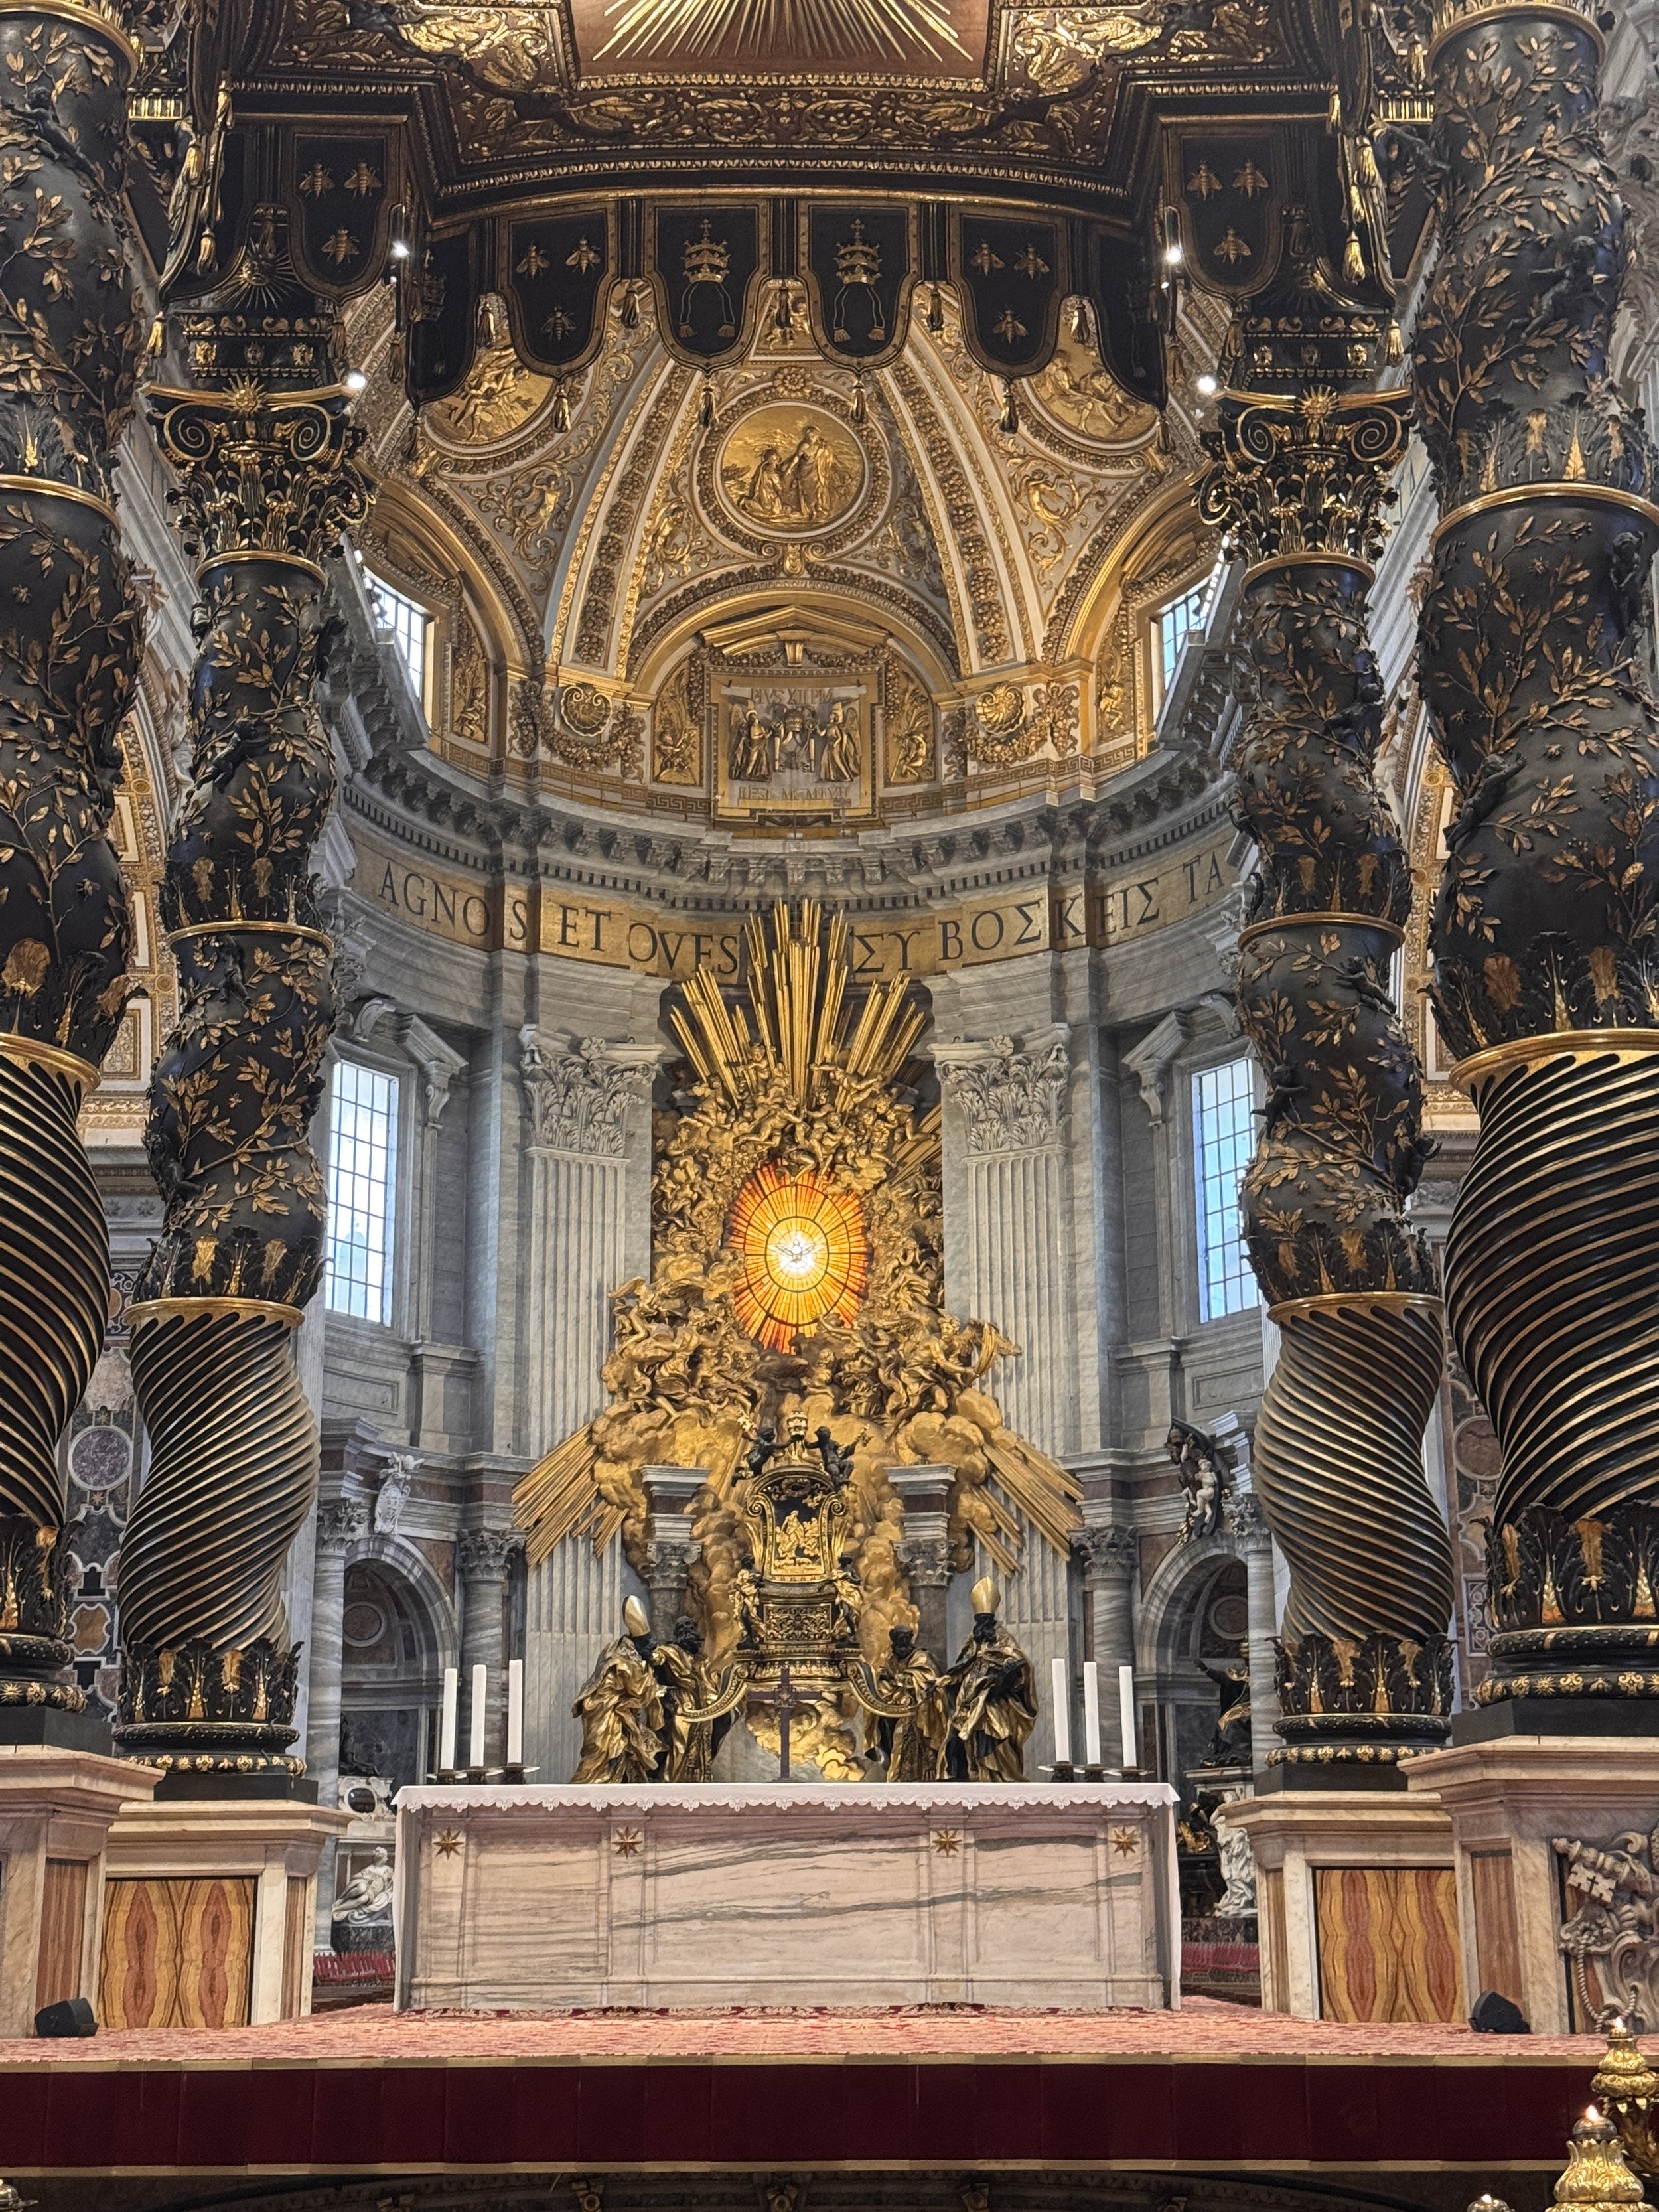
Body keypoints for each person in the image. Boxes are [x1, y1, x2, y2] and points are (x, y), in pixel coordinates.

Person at [937, 1576, 1037, 1781]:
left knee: (994, 1737)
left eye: (986, 1621)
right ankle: (967, 1775)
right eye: (979, 1621)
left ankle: (999, 1777)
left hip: (993, 1701)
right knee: (957, 1739)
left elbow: (1019, 1665)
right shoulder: (972, 1642)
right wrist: (944, 1681)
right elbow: (960, 1669)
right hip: (967, 1700)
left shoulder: (1004, 1639)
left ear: (992, 1621)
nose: (982, 1625)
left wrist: (1000, 1680)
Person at [571, 1595, 664, 1782]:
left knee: (621, 1752)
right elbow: (638, 1689)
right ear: (642, 1644)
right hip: (604, 1710)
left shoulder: (617, 1647)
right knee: (600, 1753)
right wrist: (653, 1677)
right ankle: (589, 1788)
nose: (650, 1654)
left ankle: (618, 1782)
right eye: (649, 1649)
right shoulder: (626, 1658)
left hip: (610, 1707)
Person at [873, 1623, 944, 1781]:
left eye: (904, 1640)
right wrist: (884, 1683)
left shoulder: (921, 1657)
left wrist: (895, 1679)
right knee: (892, 1739)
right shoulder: (892, 1660)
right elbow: (887, 1685)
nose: (900, 1645)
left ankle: (921, 1777)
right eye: (897, 1642)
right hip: (898, 1709)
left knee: (914, 1745)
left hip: (921, 1710)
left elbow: (923, 1680)